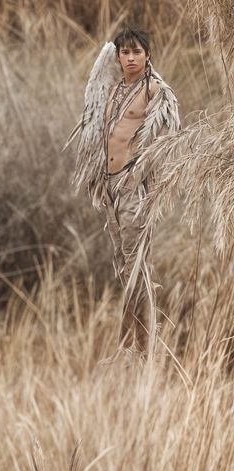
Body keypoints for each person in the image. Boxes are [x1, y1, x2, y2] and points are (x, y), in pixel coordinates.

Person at [70, 29, 181, 353]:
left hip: (133, 188)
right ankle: (134, 343)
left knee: (137, 266)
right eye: (124, 52)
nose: (130, 57)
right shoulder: (116, 90)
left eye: (137, 51)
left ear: (147, 55)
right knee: (123, 264)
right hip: (110, 187)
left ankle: (145, 346)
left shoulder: (155, 91)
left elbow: (166, 141)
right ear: (117, 56)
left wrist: (141, 178)